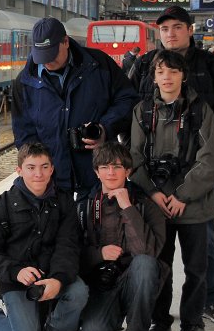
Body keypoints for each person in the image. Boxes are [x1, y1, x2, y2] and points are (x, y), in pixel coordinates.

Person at [127, 5, 214, 326]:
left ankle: (211, 301)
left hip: (199, 172)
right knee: (158, 248)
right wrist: (141, 173)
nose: (170, 34)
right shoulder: (146, 64)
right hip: (155, 181)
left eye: (177, 27)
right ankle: (159, 318)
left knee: (203, 243)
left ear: (190, 30)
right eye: (164, 29)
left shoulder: (210, 65)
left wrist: (213, 163)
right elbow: (129, 111)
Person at [129, 50, 214, 331]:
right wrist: (155, 193)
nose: (166, 77)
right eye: (160, 72)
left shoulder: (201, 110)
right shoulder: (142, 111)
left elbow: (211, 160)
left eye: (172, 71)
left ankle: (193, 323)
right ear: (153, 77)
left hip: (194, 204)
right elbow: (134, 157)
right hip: (157, 204)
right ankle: (160, 321)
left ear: (183, 75)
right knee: (160, 265)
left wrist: (182, 194)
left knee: (196, 268)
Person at [0, 142, 89, 331]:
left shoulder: (64, 202)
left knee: (79, 291)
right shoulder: (2, 206)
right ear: (19, 170)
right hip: (17, 281)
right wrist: (16, 271)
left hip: (52, 275)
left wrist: (58, 279)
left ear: (52, 169)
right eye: (31, 167)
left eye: (45, 167)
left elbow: (69, 246)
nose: (38, 174)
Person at [12, 17, 137, 197]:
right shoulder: (25, 82)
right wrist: (39, 170)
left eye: (52, 54)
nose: (47, 62)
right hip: (52, 184)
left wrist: (105, 128)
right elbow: (23, 133)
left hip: (98, 177)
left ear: (66, 42)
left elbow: (128, 99)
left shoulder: (99, 65)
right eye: (42, 56)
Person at [78, 142, 166, 331]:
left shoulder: (146, 206)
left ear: (128, 172)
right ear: (96, 172)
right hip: (101, 284)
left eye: (117, 167)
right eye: (105, 167)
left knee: (145, 264)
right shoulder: (84, 207)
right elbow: (71, 253)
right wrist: (99, 254)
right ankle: (114, 321)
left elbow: (148, 252)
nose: (111, 173)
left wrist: (127, 206)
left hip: (135, 281)